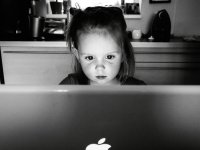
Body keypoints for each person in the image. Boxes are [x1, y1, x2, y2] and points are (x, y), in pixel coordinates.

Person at [60, 6, 145, 85]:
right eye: (90, 58)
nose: (100, 68)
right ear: (78, 55)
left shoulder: (138, 90)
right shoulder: (69, 86)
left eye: (110, 57)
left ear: (123, 54)